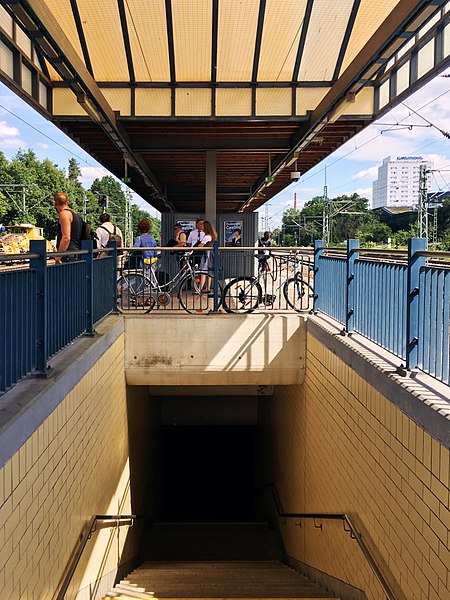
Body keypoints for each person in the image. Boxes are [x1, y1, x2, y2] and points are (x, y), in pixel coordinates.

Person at [54, 191, 82, 263]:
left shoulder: (64, 214)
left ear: (55, 203)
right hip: (76, 253)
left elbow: (66, 238)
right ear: (67, 202)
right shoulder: (75, 215)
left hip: (68, 255)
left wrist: (58, 257)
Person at [197, 220, 217, 295]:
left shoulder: (207, 236)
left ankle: (199, 289)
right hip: (209, 255)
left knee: (203, 272)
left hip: (206, 255)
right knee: (208, 272)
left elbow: (200, 246)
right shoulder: (211, 235)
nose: (201, 226)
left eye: (202, 225)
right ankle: (207, 288)